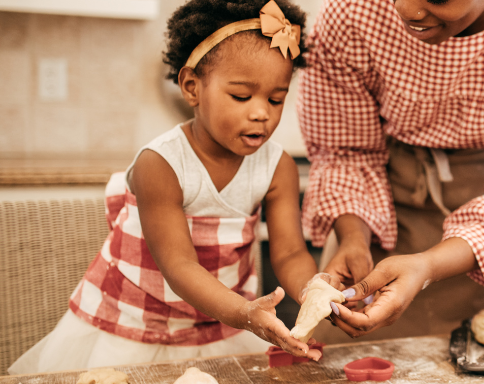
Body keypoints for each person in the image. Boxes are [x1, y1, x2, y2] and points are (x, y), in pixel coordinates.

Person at [8, 0, 333, 373]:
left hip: (219, 324)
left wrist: (313, 292)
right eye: (242, 96)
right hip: (136, 326)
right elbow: (179, 265)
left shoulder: (278, 167)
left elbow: (290, 254)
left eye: (276, 99)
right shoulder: (160, 164)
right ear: (192, 87)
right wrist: (243, 313)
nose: (261, 112)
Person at [298, 0, 484, 339]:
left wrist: (426, 267)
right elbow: (347, 152)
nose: (406, 10)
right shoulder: (353, 9)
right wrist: (353, 238)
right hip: (383, 216)